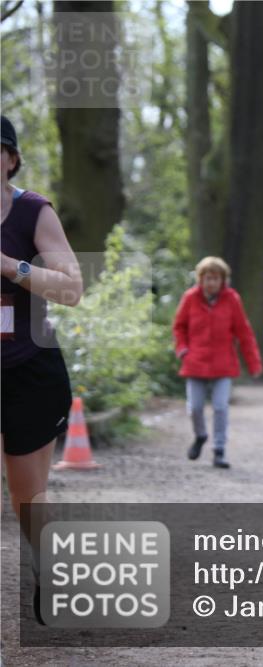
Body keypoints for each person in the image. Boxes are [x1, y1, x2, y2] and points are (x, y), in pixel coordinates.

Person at [1, 115, 84, 624]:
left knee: (26, 497)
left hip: (25, 368)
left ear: (10, 158)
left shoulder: (32, 212)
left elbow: (72, 289)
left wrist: (11, 266)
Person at [172, 256, 262, 469]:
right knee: (194, 407)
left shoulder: (232, 299)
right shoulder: (190, 298)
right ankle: (201, 435)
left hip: (223, 364)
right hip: (195, 362)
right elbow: (179, 327)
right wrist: (182, 349)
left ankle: (219, 450)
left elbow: (244, 333)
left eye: (216, 278)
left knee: (221, 407)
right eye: (208, 278)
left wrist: (254, 363)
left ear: (223, 280)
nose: (212, 282)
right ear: (200, 279)